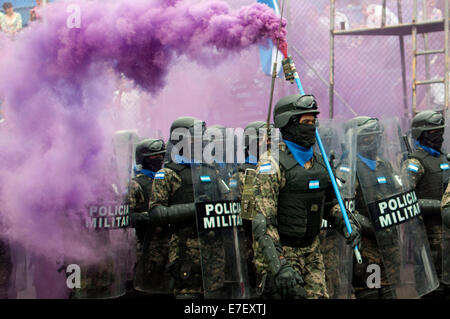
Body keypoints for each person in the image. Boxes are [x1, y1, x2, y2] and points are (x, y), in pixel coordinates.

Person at [251, 94, 361, 299]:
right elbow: (263, 222)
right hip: (282, 254)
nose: (311, 128)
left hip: (312, 252)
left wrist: (347, 225)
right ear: (289, 125)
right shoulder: (271, 165)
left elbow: (330, 204)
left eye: (313, 122)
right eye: (305, 122)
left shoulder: (321, 164)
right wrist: (279, 265)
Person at [148, 116, 206, 299]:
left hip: (213, 258)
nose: (202, 141)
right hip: (185, 253)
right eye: (197, 137)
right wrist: (195, 209)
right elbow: (156, 213)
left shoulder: (208, 170)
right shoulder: (166, 174)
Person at [402, 110, 450, 298]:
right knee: (433, 289)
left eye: (440, 131)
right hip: (428, 238)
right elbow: (406, 200)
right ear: (420, 134)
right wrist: (441, 206)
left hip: (447, 236)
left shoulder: (445, 158)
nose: (438, 136)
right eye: (432, 132)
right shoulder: (414, 162)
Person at [127, 138, 172, 298]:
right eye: (155, 157)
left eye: (162, 155)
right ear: (144, 159)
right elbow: (127, 217)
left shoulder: (165, 179)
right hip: (148, 248)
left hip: (170, 247)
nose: (160, 159)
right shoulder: (136, 184)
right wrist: (148, 217)